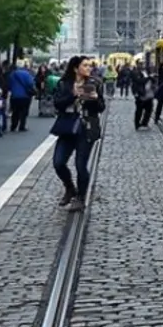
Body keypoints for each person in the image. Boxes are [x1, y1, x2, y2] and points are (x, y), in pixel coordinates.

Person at [51, 56, 105, 212]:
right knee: (58, 162)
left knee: (81, 165)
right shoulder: (64, 84)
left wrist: (95, 100)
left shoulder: (93, 84)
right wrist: (73, 94)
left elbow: (100, 108)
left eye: (90, 65)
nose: (89, 68)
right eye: (85, 65)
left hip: (85, 128)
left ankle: (80, 198)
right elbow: (58, 104)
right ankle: (70, 188)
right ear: (76, 68)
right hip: (67, 127)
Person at [8, 60, 36, 132]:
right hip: (25, 96)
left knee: (15, 112)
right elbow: (30, 83)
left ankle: (13, 126)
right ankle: (22, 126)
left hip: (14, 96)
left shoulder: (12, 74)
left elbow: (9, 85)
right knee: (24, 111)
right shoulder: (27, 74)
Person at [131, 61, 154, 129]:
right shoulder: (135, 72)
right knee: (139, 110)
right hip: (140, 93)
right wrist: (148, 78)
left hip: (148, 93)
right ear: (137, 64)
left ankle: (144, 123)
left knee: (149, 109)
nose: (142, 65)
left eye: (142, 64)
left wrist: (152, 79)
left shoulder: (145, 72)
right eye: (140, 64)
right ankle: (137, 124)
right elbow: (139, 81)